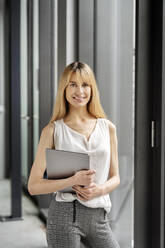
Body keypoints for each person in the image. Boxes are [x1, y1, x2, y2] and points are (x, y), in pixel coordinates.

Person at [28, 61, 120, 248]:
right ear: (64, 88)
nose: (80, 91)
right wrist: (72, 180)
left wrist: (99, 190)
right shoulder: (53, 131)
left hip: (99, 216)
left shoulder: (107, 128)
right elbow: (33, 186)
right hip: (64, 215)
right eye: (73, 84)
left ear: (92, 88)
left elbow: (115, 177)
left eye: (85, 84)